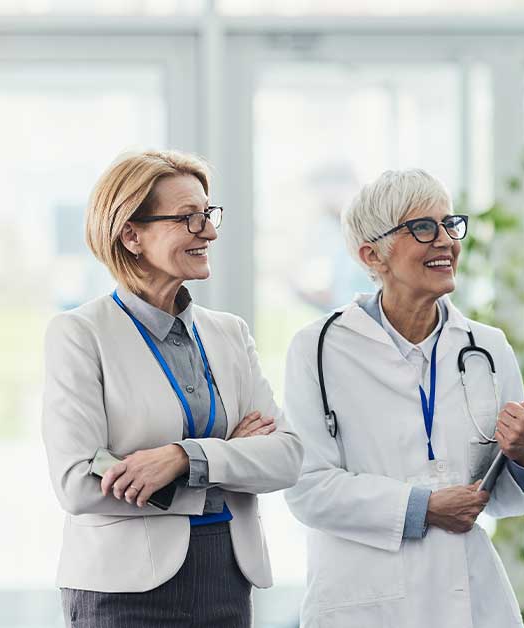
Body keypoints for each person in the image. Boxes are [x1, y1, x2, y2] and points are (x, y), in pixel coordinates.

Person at [42, 149, 304, 627]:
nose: (210, 231)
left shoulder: (229, 332)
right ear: (131, 234)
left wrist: (184, 458)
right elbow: (79, 480)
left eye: (208, 214)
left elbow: (285, 456)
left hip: (225, 574)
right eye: (189, 218)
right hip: (120, 588)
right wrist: (224, 463)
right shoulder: (81, 334)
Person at [283, 169, 524, 627]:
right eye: (423, 228)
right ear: (372, 255)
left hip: (468, 597)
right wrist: (423, 507)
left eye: (449, 225)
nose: (445, 240)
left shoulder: (486, 348)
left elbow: (507, 501)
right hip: (363, 601)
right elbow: (308, 489)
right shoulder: (319, 348)